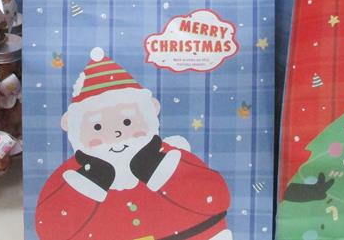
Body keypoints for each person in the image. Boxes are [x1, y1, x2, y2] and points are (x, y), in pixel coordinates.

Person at [35, 48, 233, 240]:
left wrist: (164, 172)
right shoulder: (72, 177)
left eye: (127, 122)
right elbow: (49, 229)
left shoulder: (171, 157)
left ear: (150, 111)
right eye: (97, 127)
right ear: (71, 126)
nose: (116, 133)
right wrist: (87, 186)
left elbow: (216, 197)